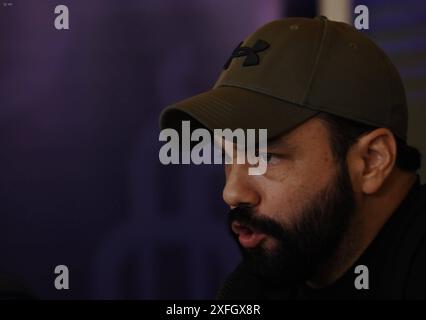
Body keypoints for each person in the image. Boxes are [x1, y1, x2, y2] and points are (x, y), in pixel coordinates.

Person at [159, 16, 425, 299]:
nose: (232, 192)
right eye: (228, 156)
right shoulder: (260, 282)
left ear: (372, 161)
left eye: (265, 155)